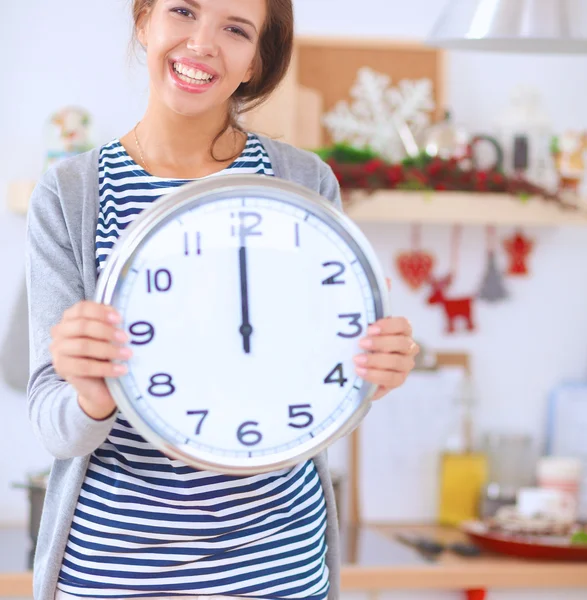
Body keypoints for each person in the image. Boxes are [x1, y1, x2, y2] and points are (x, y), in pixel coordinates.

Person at [25, 1, 419, 599]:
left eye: (235, 29)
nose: (202, 42)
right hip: (116, 573)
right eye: (183, 10)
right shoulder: (72, 193)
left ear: (255, 62)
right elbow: (53, 428)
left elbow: (321, 387)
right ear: (144, 21)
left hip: (277, 569)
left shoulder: (305, 182)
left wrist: (369, 373)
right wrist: (90, 395)